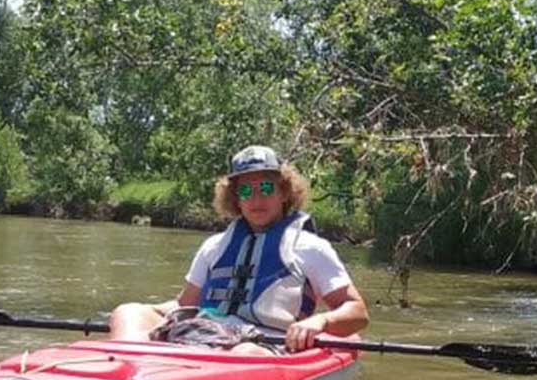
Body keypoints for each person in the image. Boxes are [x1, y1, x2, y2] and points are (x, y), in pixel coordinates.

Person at [110, 145, 369, 353]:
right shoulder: (215, 246)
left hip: (268, 344)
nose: (256, 199)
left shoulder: (311, 247)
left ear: (284, 192)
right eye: (246, 190)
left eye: (266, 187)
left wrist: (319, 321)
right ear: (236, 198)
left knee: (245, 351)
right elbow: (185, 305)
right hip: (208, 336)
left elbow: (358, 312)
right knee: (128, 312)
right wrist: (148, 313)